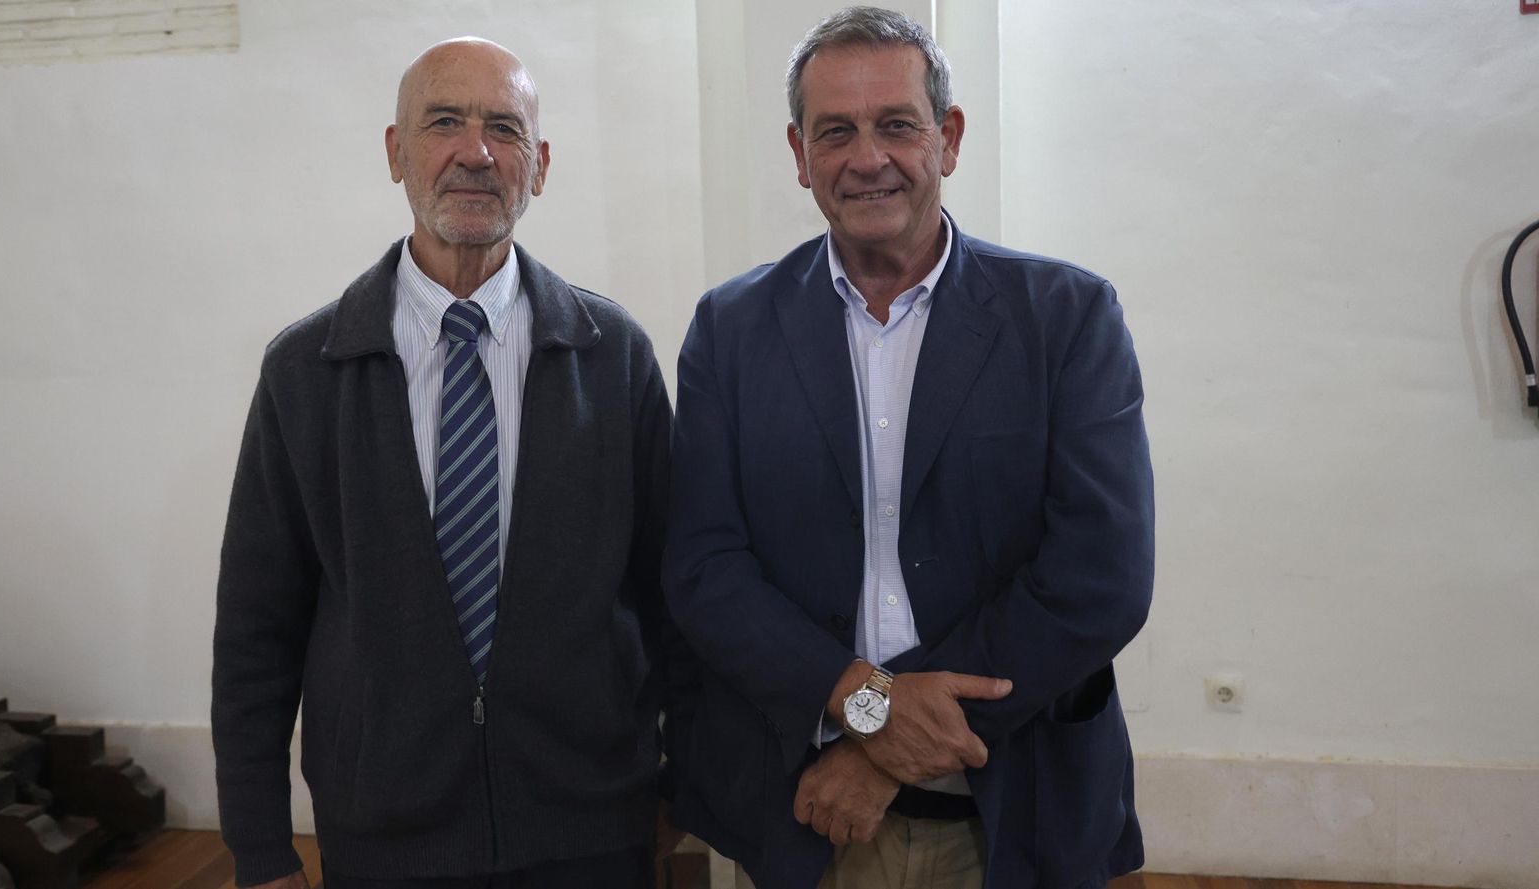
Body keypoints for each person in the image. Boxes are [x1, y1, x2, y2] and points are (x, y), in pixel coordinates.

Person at [663, 7, 1154, 888]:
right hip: (804, 815)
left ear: (949, 137)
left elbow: (1100, 576)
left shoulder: (1067, 317)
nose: (868, 158)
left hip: (1015, 812)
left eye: (896, 124)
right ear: (799, 151)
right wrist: (870, 704)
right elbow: (704, 565)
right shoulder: (729, 331)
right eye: (836, 131)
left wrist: (880, 748)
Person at [211, 37, 688, 889]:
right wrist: (258, 846)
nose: (475, 153)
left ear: (538, 166)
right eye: (444, 123)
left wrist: (679, 781)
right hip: (385, 836)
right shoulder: (305, 372)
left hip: (589, 830)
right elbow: (257, 628)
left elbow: (672, 595)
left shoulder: (613, 358)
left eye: (504, 129)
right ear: (396, 152)